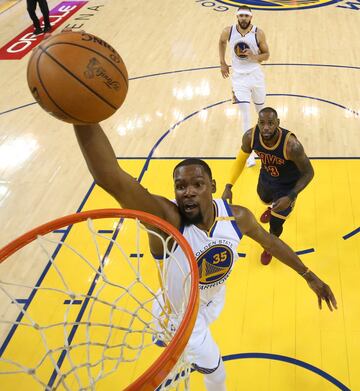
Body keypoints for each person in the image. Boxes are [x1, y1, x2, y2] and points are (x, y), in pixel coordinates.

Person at [73, 122, 335, 391]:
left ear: (212, 186)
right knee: (216, 372)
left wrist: (308, 274)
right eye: (180, 186)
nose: (188, 191)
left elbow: (270, 242)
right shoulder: (168, 223)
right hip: (181, 315)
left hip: (211, 297)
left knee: (204, 329)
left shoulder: (236, 216)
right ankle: (174, 343)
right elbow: (110, 177)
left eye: (197, 184)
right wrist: (81, 116)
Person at [222, 107, 314, 266]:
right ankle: (271, 208)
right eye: (262, 123)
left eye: (270, 123)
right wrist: (228, 186)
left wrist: (291, 196)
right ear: (257, 123)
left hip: (287, 186)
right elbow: (240, 160)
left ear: (278, 123)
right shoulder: (250, 137)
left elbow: (309, 173)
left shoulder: (291, 145)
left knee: (276, 225)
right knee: (264, 199)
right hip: (267, 177)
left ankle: (270, 247)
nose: (265, 127)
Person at [219, 5, 270, 167]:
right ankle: (249, 154)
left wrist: (254, 56)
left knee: (262, 114)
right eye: (240, 16)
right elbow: (221, 42)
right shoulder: (228, 31)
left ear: (251, 17)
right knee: (246, 116)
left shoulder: (258, 33)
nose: (243, 19)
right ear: (237, 17)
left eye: (246, 16)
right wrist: (222, 63)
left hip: (256, 76)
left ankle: (267, 148)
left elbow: (266, 55)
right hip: (239, 79)